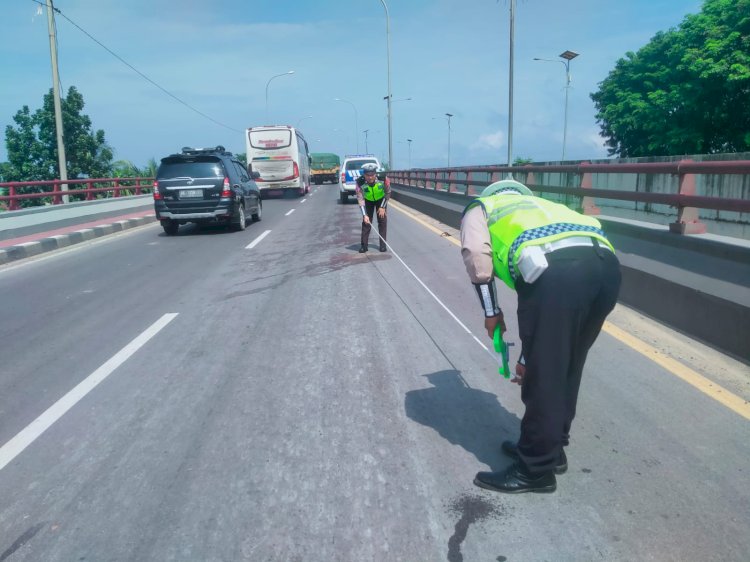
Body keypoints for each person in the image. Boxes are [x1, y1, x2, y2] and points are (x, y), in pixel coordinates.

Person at [460, 179, 621, 494]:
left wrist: (491, 313)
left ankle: (535, 470)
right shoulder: (546, 206)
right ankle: (552, 449)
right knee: (568, 363)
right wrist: (525, 355)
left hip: (560, 274)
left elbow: (477, 256)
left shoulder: (481, 208)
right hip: (606, 269)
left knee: (545, 373)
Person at [356, 163, 391, 253]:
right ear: (364, 175)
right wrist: (364, 215)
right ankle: (364, 245)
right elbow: (360, 199)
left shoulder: (383, 179)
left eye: (372, 175)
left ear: (375, 174)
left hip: (381, 200)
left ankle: (383, 245)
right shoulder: (360, 182)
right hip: (368, 201)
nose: (370, 177)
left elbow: (388, 193)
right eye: (367, 175)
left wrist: (382, 207)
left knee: (382, 221)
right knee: (366, 222)